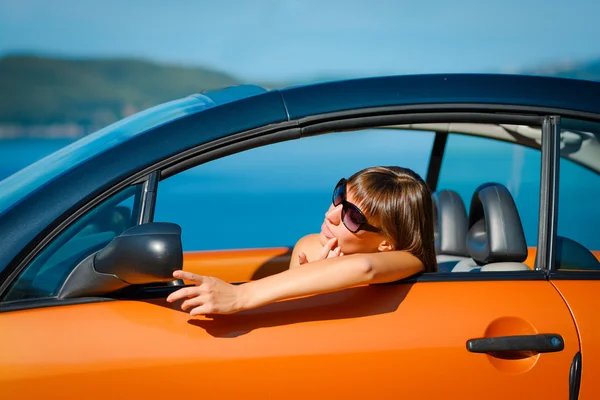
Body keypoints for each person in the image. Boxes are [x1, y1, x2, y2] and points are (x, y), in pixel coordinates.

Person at [166, 166, 437, 315]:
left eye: (352, 216)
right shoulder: (311, 245)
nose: (330, 214)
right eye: (339, 198)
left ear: (387, 243)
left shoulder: (409, 261)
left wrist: (240, 295)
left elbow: (365, 268)